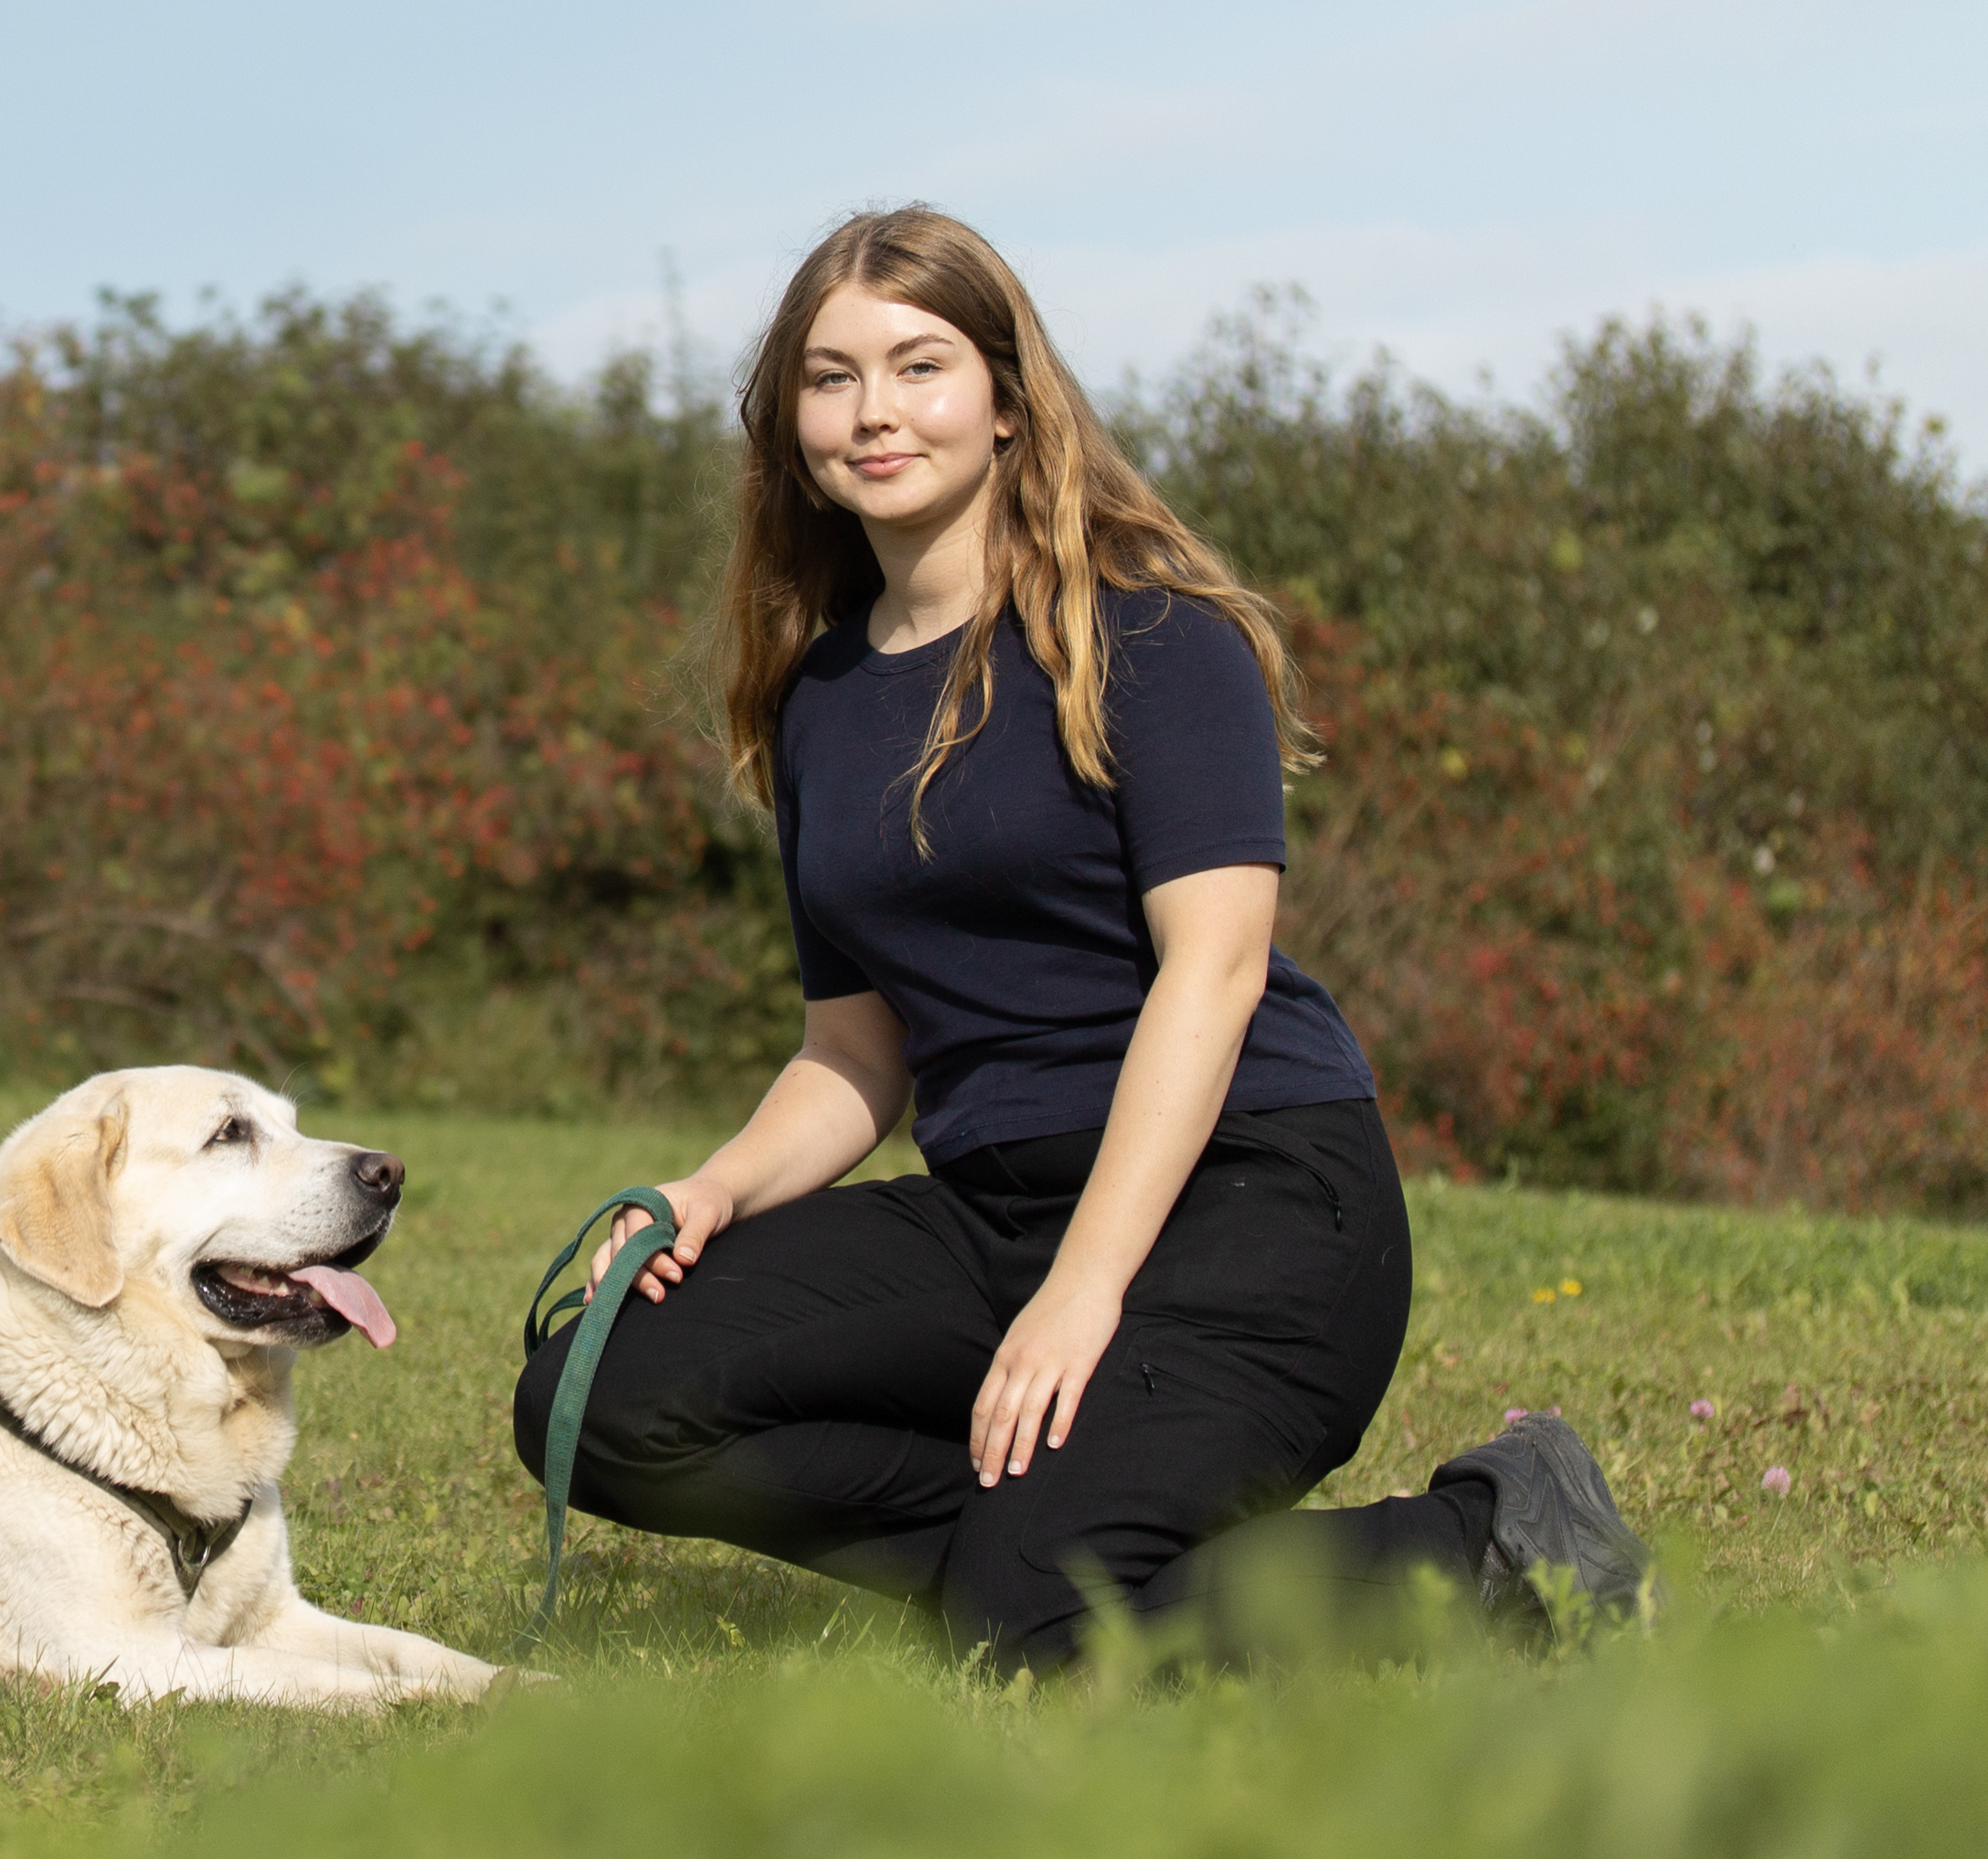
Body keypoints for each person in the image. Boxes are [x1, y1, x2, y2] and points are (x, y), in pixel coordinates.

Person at [508, 207, 1648, 1673]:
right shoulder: (821, 700)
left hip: (1249, 1208)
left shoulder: (1151, 634)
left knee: (1040, 1621)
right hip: (995, 1210)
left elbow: (1213, 973)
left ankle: (1494, 1540)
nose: (873, 412)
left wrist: (1085, 1289)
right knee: (592, 1396)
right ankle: (1044, 1580)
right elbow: (852, 1049)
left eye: (917, 367)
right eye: (829, 375)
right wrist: (713, 1189)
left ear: (1000, 395)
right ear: (785, 419)